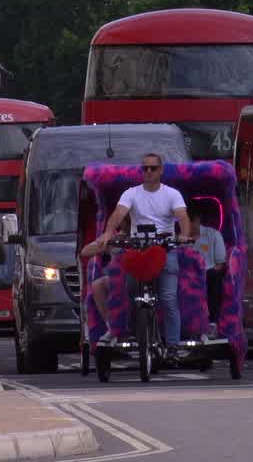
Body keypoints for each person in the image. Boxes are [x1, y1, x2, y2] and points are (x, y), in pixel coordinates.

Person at [78, 153, 192, 359]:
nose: (148, 172)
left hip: (165, 250)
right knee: (131, 294)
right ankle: (136, 334)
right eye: (145, 168)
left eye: (153, 168)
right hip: (138, 249)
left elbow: (182, 217)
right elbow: (119, 213)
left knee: (168, 298)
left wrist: (183, 234)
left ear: (161, 170)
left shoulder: (172, 194)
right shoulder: (131, 193)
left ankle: (173, 346)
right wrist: (107, 233)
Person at [189, 202, 228, 342]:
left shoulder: (213, 235)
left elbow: (220, 264)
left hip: (206, 275)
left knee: (213, 276)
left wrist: (203, 274)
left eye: (189, 221)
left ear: (197, 219)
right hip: (185, 277)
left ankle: (212, 323)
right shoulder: (178, 238)